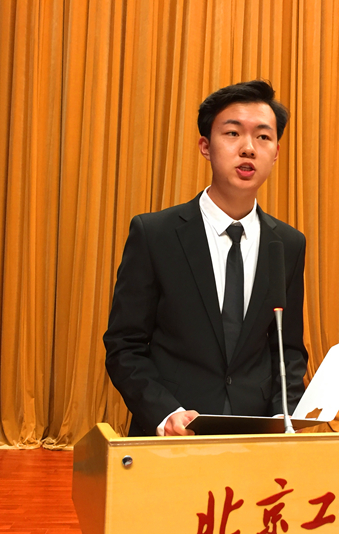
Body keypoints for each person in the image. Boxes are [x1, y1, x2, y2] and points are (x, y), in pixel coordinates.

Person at [103, 80, 308, 437]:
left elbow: (287, 351)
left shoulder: (287, 244)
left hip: (256, 441)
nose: (248, 148)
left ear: (276, 152)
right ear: (205, 146)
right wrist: (166, 413)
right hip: (172, 438)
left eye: (263, 137)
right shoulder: (155, 234)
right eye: (232, 133)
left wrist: (284, 418)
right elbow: (125, 346)